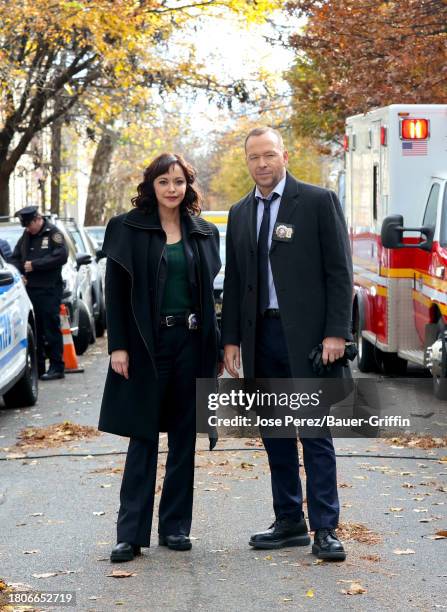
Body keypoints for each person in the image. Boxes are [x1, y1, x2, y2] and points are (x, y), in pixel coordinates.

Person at [221, 127, 353, 561]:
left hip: (310, 342)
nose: (261, 163)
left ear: (285, 156)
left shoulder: (317, 202)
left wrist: (337, 332)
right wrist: (231, 341)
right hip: (262, 339)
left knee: (315, 434)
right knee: (275, 433)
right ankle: (289, 520)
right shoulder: (240, 212)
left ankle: (326, 529)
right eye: (254, 157)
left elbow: (339, 272)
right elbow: (237, 281)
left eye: (269, 155)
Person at [99, 153, 222, 563]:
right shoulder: (127, 229)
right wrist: (118, 345)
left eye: (179, 182)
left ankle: (175, 528)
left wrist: (217, 347)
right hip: (145, 347)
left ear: (189, 186)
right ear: (150, 186)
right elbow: (115, 293)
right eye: (164, 182)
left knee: (184, 436)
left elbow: (208, 299)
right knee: (143, 436)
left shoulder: (203, 232)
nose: (172, 189)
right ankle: (129, 534)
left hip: (191, 344)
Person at [9, 206, 68, 380]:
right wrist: (19, 272)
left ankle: (57, 366)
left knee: (50, 327)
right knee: (37, 330)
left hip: (49, 289)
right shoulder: (26, 236)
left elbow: (61, 256)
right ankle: (40, 367)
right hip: (31, 289)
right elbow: (16, 257)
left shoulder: (53, 233)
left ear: (37, 219)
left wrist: (36, 265)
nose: (28, 229)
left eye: (29, 225)